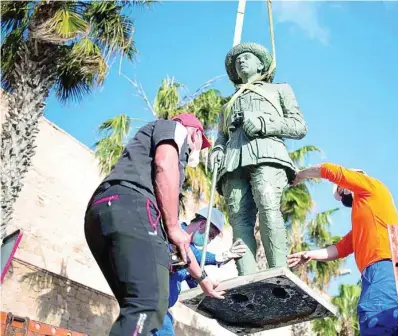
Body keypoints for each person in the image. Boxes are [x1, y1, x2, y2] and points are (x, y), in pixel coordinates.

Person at [84, 113, 225, 336]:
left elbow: (181, 248)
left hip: (102, 213)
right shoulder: (175, 130)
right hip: (132, 207)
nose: (197, 149)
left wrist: (203, 280)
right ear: (195, 133)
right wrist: (171, 225)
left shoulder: (142, 161)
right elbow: (164, 163)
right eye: (200, 144)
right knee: (149, 304)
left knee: (139, 307)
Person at [208, 42, 307, 276]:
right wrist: (216, 151)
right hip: (232, 161)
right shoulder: (227, 105)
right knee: (238, 217)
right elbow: (221, 137)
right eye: (237, 60)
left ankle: (277, 270)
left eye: (247, 57)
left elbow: (299, 126)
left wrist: (263, 123)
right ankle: (246, 276)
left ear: (260, 64)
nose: (241, 61)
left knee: (267, 203)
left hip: (268, 153)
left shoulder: (280, 90)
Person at [287, 163, 398, 336]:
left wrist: (301, 175)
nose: (342, 198)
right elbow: (339, 249)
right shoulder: (364, 220)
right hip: (374, 271)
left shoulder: (370, 186)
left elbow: (330, 171)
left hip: (384, 266)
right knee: (387, 322)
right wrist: (310, 255)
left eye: (341, 191)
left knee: (375, 316)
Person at [154, 207, 247, 336]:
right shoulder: (172, 232)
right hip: (152, 304)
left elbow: (196, 279)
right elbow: (187, 252)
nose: (208, 240)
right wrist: (219, 257)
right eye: (210, 236)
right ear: (202, 224)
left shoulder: (193, 262)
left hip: (162, 310)